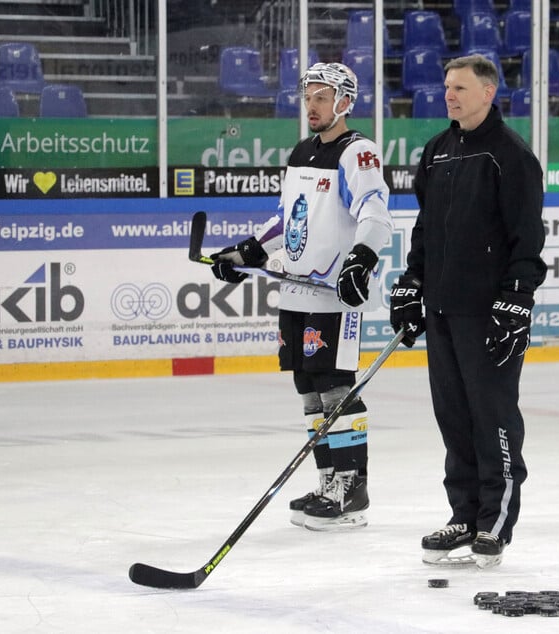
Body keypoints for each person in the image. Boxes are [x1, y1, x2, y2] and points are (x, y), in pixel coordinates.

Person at [210, 62, 392, 531]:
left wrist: (361, 260)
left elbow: (375, 214)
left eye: (321, 97)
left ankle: (353, 488)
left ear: (344, 102)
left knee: (334, 384)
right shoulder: (301, 152)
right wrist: (247, 252)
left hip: (334, 294)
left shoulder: (358, 152)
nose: (311, 106)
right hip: (295, 290)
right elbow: (285, 219)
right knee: (307, 388)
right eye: (307, 97)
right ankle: (328, 478)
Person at [389, 54, 547, 569]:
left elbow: (528, 236)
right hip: (442, 308)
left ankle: (494, 520)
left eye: (459, 88)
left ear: (488, 92)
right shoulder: (437, 150)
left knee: (492, 415)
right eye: (446, 87)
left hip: (489, 312)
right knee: (453, 415)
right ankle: (464, 513)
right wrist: (413, 283)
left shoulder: (511, 155)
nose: (449, 96)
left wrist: (516, 297)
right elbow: (425, 228)